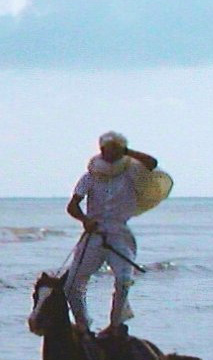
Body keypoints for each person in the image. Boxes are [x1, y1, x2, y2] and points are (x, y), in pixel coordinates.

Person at [65, 131, 159, 338]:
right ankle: (83, 323)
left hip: (119, 233)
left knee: (124, 279)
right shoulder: (90, 176)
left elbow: (152, 163)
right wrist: (85, 220)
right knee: (72, 283)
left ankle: (115, 325)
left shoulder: (131, 173)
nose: (108, 153)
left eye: (113, 149)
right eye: (105, 149)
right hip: (95, 232)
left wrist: (126, 151)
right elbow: (72, 206)